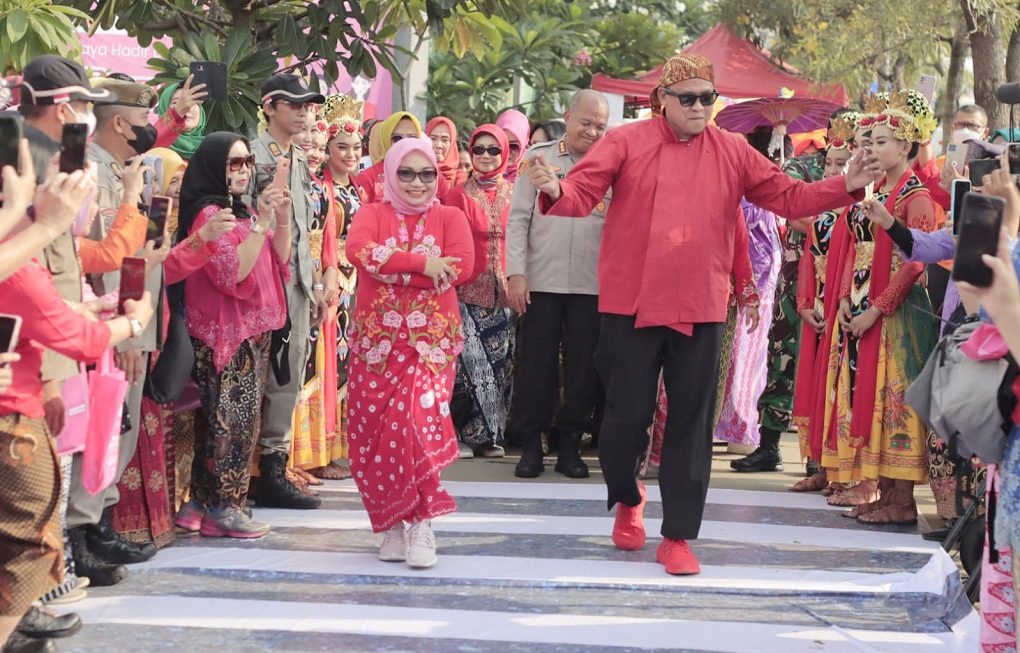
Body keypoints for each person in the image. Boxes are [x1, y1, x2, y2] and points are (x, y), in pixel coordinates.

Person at [526, 53, 881, 576]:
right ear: (661, 101)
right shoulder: (626, 140)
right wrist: (556, 188)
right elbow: (582, 191)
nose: (698, 107)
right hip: (630, 304)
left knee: (692, 426)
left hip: (700, 305)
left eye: (706, 98)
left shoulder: (733, 151)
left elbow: (791, 195)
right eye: (687, 98)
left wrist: (847, 185)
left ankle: (677, 535)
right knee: (623, 422)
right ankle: (628, 497)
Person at [0, 169, 155, 652]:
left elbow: (64, 308)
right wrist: (130, 326)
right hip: (15, 415)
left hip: (30, 397)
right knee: (31, 543)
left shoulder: (21, 250)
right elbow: (75, 335)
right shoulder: (20, 254)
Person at [345, 137, 475, 569]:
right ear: (390, 173)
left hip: (430, 347)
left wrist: (391, 270)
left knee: (416, 425)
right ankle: (391, 524)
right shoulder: (371, 212)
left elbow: (460, 267)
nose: (417, 183)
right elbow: (360, 251)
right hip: (376, 347)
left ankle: (422, 522)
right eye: (406, 173)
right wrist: (422, 267)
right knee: (374, 437)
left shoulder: (450, 215)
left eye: (426, 174)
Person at [819, 90, 940, 525]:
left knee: (895, 399)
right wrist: (846, 301)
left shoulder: (917, 197)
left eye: (882, 142)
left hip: (898, 316)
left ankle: (902, 499)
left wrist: (879, 308)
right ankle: (883, 491)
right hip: (861, 303)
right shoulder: (874, 192)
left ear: (905, 147)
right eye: (869, 142)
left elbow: (915, 264)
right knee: (868, 396)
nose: (871, 148)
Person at [64, 79, 165, 590]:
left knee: (115, 430)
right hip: (112, 324)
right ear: (122, 124)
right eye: (145, 119)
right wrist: (123, 336)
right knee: (102, 427)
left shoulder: (123, 170)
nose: (151, 128)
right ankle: (82, 533)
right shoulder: (99, 174)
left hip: (131, 317)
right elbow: (108, 261)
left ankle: (98, 523)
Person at [174, 132, 292, 538]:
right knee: (235, 425)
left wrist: (277, 219)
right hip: (227, 335)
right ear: (212, 167)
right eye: (233, 163)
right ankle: (226, 508)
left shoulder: (236, 211)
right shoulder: (209, 215)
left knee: (221, 422)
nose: (243, 171)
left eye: (246, 163)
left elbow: (281, 257)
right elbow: (233, 273)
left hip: (247, 331)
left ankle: (199, 503)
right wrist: (260, 224)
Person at [507, 90, 610, 478]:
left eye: (601, 126)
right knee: (537, 367)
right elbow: (518, 219)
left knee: (584, 369)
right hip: (541, 280)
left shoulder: (609, 163)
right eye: (586, 122)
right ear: (567, 117)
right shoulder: (540, 159)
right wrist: (516, 271)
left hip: (592, 283)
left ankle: (570, 445)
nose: (593, 131)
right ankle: (532, 445)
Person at [249, 74, 326, 511]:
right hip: (261, 284)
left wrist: (312, 282)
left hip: (295, 283)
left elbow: (304, 228)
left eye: (307, 105)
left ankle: (273, 469)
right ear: (269, 106)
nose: (303, 111)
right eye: (294, 104)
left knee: (288, 377)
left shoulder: (296, 157)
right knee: (256, 378)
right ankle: (248, 472)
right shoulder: (254, 156)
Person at [289, 94, 367, 482]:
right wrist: (329, 274)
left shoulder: (358, 189)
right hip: (323, 282)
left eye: (356, 147)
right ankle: (303, 453)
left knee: (342, 366)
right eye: (341, 147)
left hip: (352, 286)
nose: (350, 154)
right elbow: (321, 241)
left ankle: (333, 447)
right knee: (314, 364)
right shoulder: (318, 188)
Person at [790, 113, 859, 493]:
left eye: (841, 164)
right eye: (829, 164)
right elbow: (808, 260)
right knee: (816, 389)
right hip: (817, 310)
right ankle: (818, 465)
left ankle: (843, 471)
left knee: (840, 389)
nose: (832, 170)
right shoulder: (823, 217)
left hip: (842, 309)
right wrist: (803, 303)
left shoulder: (858, 213)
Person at [714, 127, 785, 456]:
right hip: (747, 282)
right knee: (740, 357)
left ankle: (741, 426)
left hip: (765, 283)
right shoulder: (745, 187)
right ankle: (735, 427)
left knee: (754, 357)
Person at [446, 124, 515, 458]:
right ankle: (460, 433)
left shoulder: (516, 194)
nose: (486, 157)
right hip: (464, 292)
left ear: (505, 154)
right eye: (479, 150)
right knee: (467, 368)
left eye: (494, 150)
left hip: (504, 293)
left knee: (499, 366)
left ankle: (487, 438)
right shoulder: (457, 193)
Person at [356, 112, 425, 203]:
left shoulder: (429, 174)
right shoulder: (368, 178)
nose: (404, 143)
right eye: (397, 138)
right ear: (385, 139)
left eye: (412, 137)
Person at [155, 77, 207, 160]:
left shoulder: (211, 148)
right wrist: (177, 113)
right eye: (176, 103)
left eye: (192, 102)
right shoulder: (152, 146)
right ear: (164, 109)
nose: (187, 107)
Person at [426, 117, 464, 188]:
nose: (438, 145)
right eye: (433, 138)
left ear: (452, 144)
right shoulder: (415, 174)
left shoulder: (460, 178)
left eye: (445, 140)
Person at [496, 109, 530, 183]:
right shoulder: (484, 170)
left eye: (514, 146)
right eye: (502, 144)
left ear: (524, 145)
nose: (507, 151)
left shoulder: (532, 177)